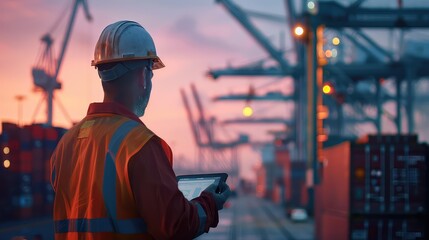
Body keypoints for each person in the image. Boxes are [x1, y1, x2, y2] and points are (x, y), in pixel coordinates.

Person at [50, 20, 231, 239]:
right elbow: (175, 225)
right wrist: (209, 203)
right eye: (151, 74)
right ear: (144, 76)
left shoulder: (65, 144)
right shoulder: (140, 145)